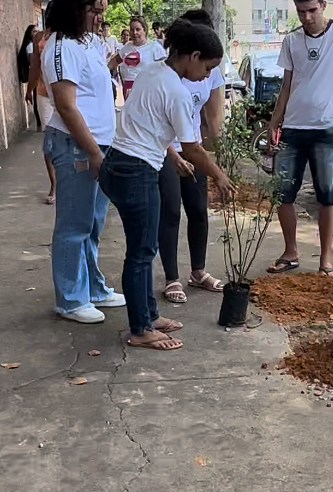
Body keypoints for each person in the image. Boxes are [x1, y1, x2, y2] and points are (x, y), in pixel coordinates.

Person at [99, 20, 233, 352]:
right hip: (136, 170)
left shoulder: (153, 70)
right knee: (141, 253)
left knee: (144, 249)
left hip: (120, 162)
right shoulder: (176, 89)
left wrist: (171, 158)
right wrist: (219, 174)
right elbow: (194, 148)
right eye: (207, 67)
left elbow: (150, 124)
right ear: (194, 55)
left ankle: (148, 314)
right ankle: (140, 328)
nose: (206, 76)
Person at [41, 0, 125, 324]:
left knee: (92, 223)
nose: (99, 19)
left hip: (98, 143)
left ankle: (92, 287)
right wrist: (92, 151)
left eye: (102, 12)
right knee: (74, 224)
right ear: (75, 9)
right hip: (77, 145)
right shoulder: (60, 48)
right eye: (93, 11)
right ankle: (70, 299)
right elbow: (66, 106)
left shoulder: (88, 41)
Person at [267, 0, 333, 277]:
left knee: (327, 195)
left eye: (311, 10)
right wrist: (274, 120)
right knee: (283, 193)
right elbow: (287, 84)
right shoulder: (292, 41)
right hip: (292, 128)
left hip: (324, 130)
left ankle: (326, 260)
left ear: (323, 5)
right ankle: (291, 251)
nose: (306, 17)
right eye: (301, 11)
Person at [157, 8, 226, 304]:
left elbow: (213, 117)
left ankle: (198, 271)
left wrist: (214, 158)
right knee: (171, 211)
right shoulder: (165, 73)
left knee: (198, 209)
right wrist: (173, 154)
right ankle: (172, 278)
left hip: (194, 149)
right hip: (165, 151)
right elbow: (155, 122)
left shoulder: (210, 71)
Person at [24, 26, 57, 204]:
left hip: (65, 94)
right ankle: (54, 185)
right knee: (49, 144)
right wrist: (30, 89)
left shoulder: (69, 35)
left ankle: (69, 183)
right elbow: (35, 67)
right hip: (44, 94)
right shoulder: (39, 38)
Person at [113, 15, 166, 100]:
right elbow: (112, 63)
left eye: (138, 29)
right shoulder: (125, 49)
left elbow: (165, 72)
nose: (134, 33)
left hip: (148, 93)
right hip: (129, 94)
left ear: (144, 30)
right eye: (132, 30)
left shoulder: (155, 47)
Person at [18, 25, 39, 129]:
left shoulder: (32, 45)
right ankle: (40, 124)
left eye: (37, 31)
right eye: (34, 32)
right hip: (35, 75)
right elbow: (32, 62)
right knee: (37, 99)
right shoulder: (31, 46)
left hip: (34, 75)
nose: (36, 34)